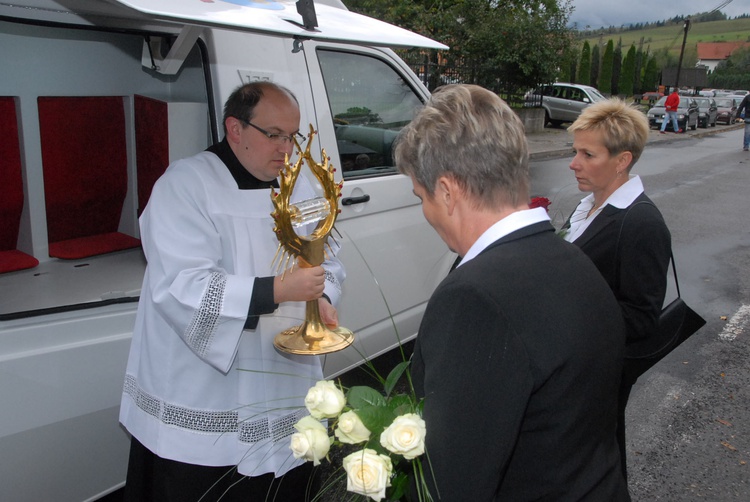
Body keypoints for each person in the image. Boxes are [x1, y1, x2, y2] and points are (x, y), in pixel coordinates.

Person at [394, 84, 630, 501]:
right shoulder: (574, 261)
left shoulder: (475, 299)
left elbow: (450, 480)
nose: (425, 211)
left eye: (421, 196)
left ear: (447, 191)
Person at [119, 82, 345, 501]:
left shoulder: (300, 185)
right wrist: (278, 290)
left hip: (283, 372)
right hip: (204, 383)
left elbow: (329, 256)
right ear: (235, 129)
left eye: (292, 136)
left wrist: (323, 298)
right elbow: (182, 287)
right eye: (273, 135)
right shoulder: (185, 185)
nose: (286, 149)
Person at [562, 98, 672, 481]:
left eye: (587, 154)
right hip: (576, 366)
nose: (574, 163)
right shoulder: (589, 207)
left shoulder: (641, 223)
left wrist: (567, 310)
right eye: (575, 152)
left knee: (599, 458)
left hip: (600, 372)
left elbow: (642, 317)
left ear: (622, 161)